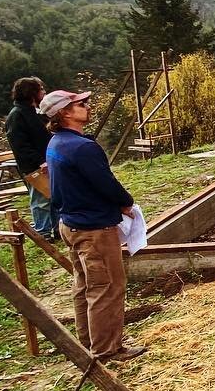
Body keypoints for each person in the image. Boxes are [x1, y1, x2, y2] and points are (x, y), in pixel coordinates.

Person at [41, 89, 145, 363]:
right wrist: (126, 203)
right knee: (108, 287)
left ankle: (90, 341)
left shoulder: (57, 143)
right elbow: (105, 183)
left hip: (71, 224)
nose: (87, 106)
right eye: (81, 104)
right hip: (94, 228)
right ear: (64, 112)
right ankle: (106, 350)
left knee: (85, 284)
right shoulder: (82, 147)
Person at [4, 77, 58, 240]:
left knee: (53, 196)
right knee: (41, 200)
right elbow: (20, 146)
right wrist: (39, 161)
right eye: (40, 89)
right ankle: (42, 233)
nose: (43, 92)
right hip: (34, 166)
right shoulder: (17, 115)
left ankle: (56, 230)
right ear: (31, 92)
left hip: (47, 162)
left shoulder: (34, 112)